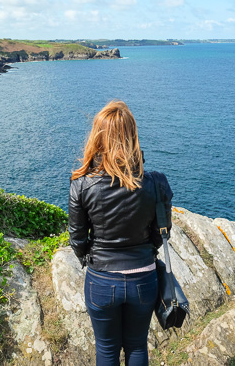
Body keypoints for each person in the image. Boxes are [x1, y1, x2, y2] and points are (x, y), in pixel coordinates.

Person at [68, 100, 173, 366]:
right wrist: (143, 253)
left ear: (97, 137)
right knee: (137, 346)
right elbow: (161, 233)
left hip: (101, 280)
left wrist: (92, 259)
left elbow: (77, 239)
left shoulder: (81, 184)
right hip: (143, 279)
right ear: (132, 136)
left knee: (106, 349)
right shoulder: (156, 183)